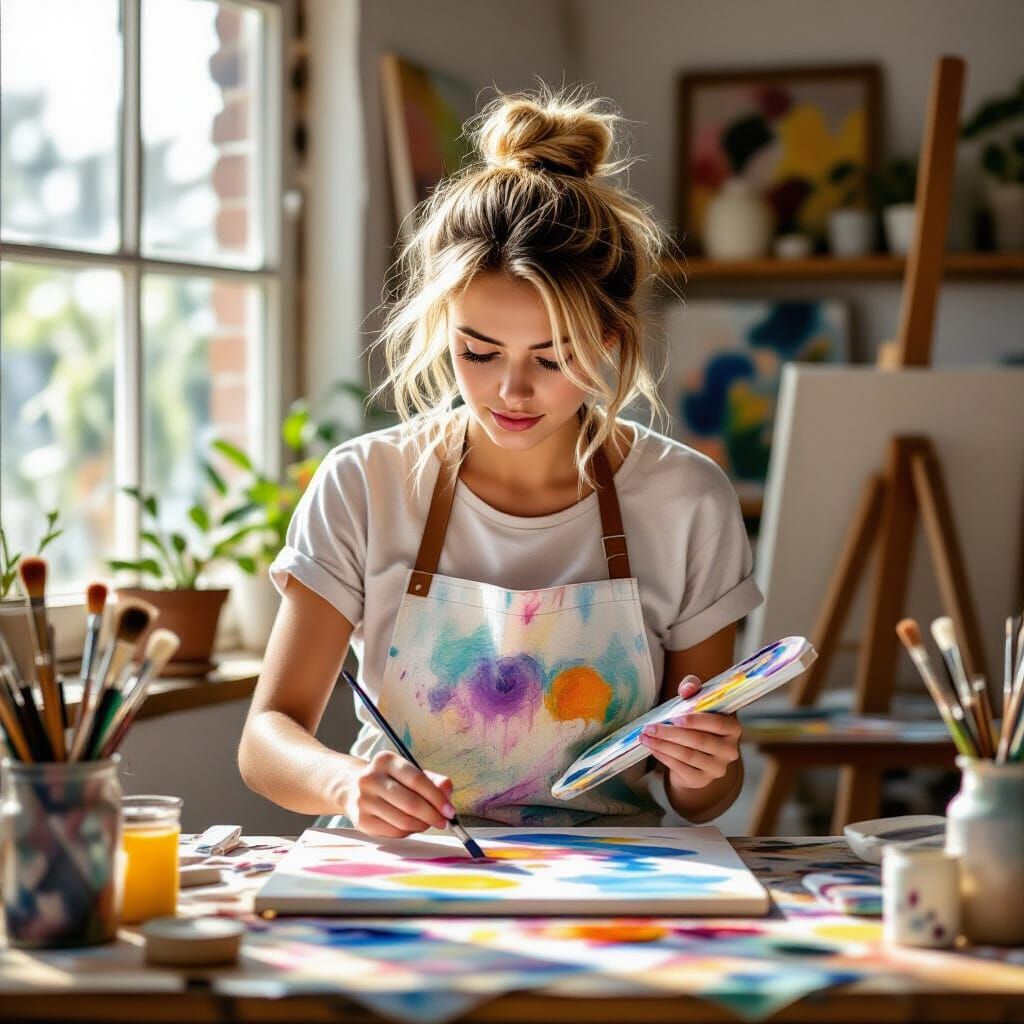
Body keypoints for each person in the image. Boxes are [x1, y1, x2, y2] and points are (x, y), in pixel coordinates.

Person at [238, 86, 763, 836]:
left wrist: (705, 765)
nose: (510, 390)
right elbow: (267, 739)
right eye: (477, 352)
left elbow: (704, 798)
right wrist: (346, 782)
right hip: (408, 875)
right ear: (441, 329)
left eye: (552, 358)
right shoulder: (366, 485)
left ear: (610, 344)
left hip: (612, 879)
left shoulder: (688, 501)